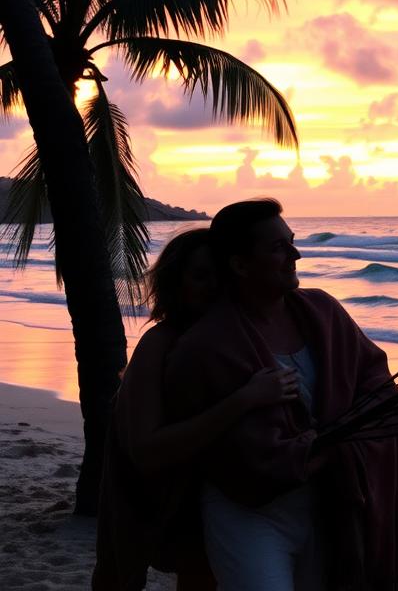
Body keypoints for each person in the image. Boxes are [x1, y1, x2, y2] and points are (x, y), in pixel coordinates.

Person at [163, 199, 398, 591]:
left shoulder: (323, 311)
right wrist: (327, 446)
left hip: (330, 505)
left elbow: (375, 380)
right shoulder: (204, 347)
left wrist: (335, 445)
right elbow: (218, 451)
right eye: (278, 248)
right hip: (249, 513)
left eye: (292, 241)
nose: (296, 254)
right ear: (239, 265)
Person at [93, 227, 300, 590]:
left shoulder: (245, 338)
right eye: (201, 276)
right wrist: (246, 399)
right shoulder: (159, 344)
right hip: (157, 490)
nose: (214, 287)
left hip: (217, 489)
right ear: (177, 283)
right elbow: (145, 450)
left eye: (220, 276)